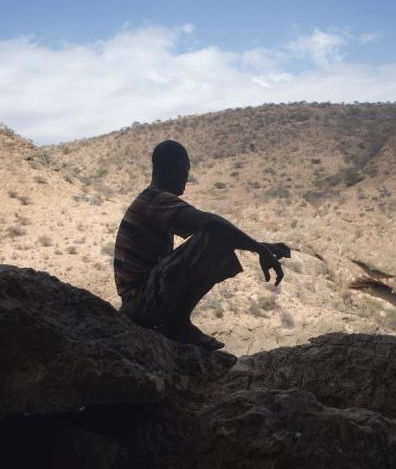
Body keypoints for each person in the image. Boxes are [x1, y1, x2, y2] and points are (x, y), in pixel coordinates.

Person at [113, 139, 291, 350]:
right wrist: (258, 249)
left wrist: (262, 246)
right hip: (140, 303)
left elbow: (210, 236)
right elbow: (210, 225)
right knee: (214, 235)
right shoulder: (156, 201)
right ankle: (177, 322)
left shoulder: (151, 201)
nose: (187, 179)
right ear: (180, 167)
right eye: (186, 170)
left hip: (139, 300)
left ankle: (177, 322)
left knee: (217, 236)